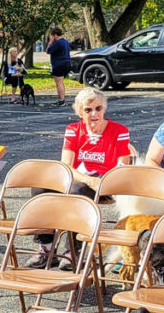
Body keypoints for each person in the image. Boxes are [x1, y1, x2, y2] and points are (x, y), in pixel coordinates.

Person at [28, 87, 132, 267]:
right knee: (40, 188)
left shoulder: (119, 130)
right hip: (80, 178)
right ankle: (47, 247)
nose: (94, 114)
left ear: (104, 109)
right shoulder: (73, 130)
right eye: (88, 109)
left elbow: (122, 166)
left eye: (98, 109)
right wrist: (87, 179)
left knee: (78, 191)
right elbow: (66, 165)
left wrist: (98, 182)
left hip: (105, 182)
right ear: (79, 112)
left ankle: (74, 251)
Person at [46, 26, 72, 106]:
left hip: (59, 64)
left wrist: (50, 42)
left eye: (52, 36)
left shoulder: (58, 43)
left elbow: (48, 50)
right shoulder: (65, 42)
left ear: (55, 35)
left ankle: (61, 100)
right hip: (67, 63)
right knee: (61, 82)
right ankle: (61, 99)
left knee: (59, 83)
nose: (52, 37)